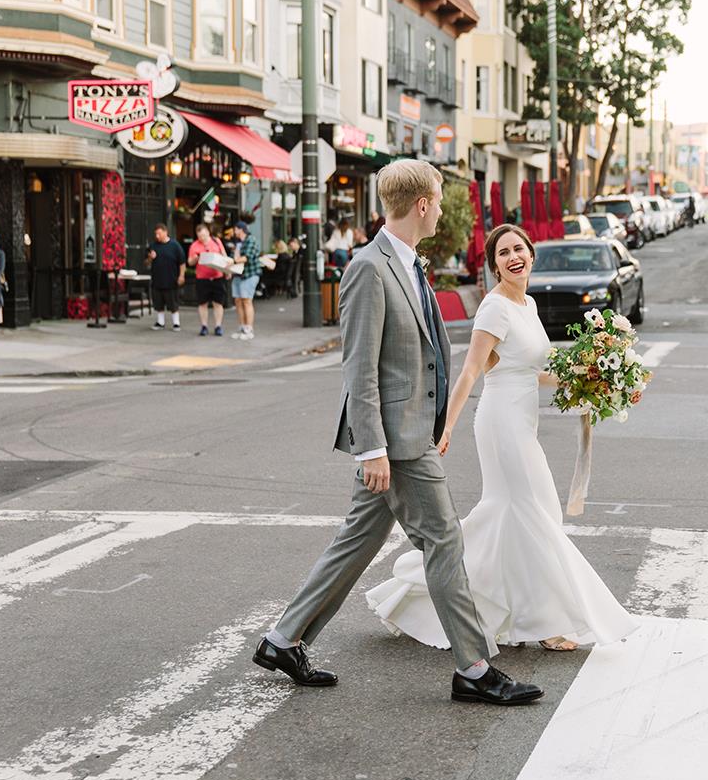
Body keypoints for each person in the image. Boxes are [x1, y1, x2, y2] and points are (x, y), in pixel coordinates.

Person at [254, 160, 542, 706]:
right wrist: (373, 448)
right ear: (424, 205)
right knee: (445, 539)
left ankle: (283, 639)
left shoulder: (407, 263)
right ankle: (475, 667)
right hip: (397, 440)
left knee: (358, 539)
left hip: (408, 431)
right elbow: (358, 367)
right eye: (438, 198)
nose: (440, 207)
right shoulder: (370, 267)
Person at [367, 223, 639, 653]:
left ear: (531, 255)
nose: (513, 257)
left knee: (513, 514)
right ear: (494, 265)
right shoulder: (494, 308)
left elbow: (534, 370)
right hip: (500, 423)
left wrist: (595, 382)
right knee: (535, 513)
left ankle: (425, 591)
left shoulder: (526, 304)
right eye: (503, 253)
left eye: (519, 249)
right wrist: (446, 425)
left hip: (522, 421)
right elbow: (472, 369)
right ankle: (545, 622)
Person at [187, 224, 227, 337]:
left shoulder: (216, 241)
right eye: (200, 237)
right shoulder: (194, 245)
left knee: (218, 303)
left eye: (204, 236)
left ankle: (218, 326)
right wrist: (195, 258)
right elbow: (189, 262)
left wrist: (227, 271)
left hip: (217, 276)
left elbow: (224, 256)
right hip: (202, 278)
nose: (202, 239)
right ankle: (204, 326)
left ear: (208, 233)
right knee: (202, 303)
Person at [146, 223, 185, 331]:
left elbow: (182, 262)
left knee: (173, 302)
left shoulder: (175, 245)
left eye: (159, 233)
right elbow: (146, 263)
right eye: (156, 234)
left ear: (165, 232)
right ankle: (160, 322)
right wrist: (150, 258)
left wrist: (181, 275)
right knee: (158, 303)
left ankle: (176, 323)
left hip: (171, 279)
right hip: (157, 279)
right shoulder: (153, 246)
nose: (157, 236)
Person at [230, 222, 260, 340]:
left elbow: (247, 257)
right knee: (238, 300)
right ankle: (242, 327)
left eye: (235, 229)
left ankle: (249, 328)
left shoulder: (251, 240)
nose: (234, 232)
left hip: (250, 273)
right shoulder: (238, 243)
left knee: (246, 300)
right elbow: (234, 256)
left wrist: (233, 262)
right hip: (238, 274)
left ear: (240, 230)